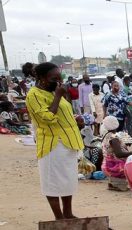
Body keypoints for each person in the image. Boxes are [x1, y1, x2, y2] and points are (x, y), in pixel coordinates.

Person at [25, 62, 84, 220]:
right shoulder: (34, 95)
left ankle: (68, 213)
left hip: (68, 144)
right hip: (52, 145)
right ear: (42, 78)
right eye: (54, 78)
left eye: (60, 78)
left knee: (68, 182)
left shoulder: (54, 91)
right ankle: (59, 218)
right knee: (52, 184)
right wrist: (58, 96)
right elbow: (47, 118)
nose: (59, 82)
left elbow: (63, 113)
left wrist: (75, 119)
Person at [101, 115, 132, 190]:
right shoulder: (114, 138)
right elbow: (119, 154)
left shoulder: (106, 135)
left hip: (106, 164)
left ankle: (113, 183)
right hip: (114, 166)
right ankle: (118, 183)